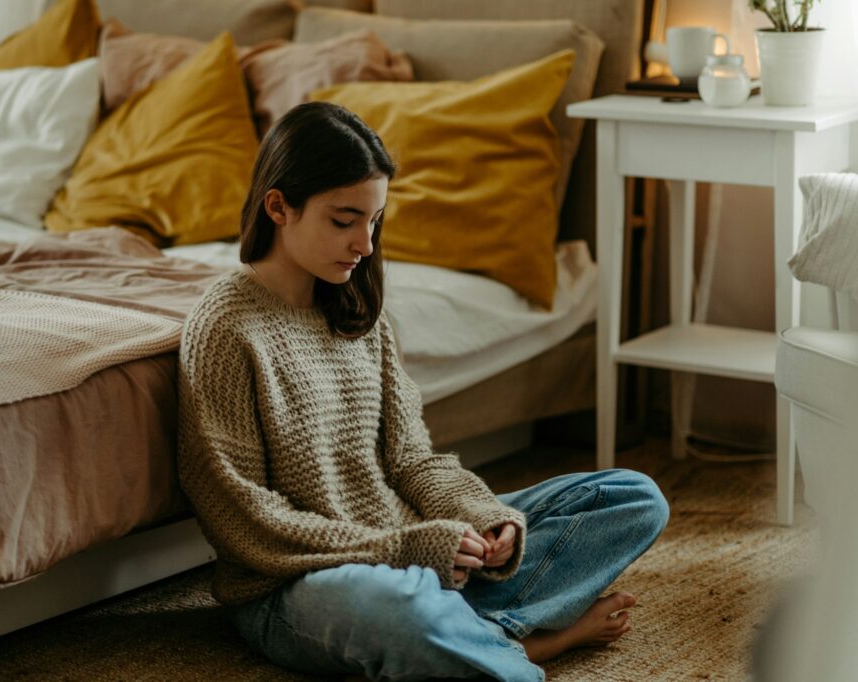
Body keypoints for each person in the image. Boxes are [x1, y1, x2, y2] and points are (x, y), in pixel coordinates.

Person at [176, 101, 670, 682]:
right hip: (297, 585)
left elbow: (412, 459)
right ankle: (533, 646)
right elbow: (244, 519)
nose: (364, 243)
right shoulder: (226, 327)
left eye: (374, 220)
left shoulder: (360, 312)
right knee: (396, 610)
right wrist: (403, 549)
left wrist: (483, 519)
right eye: (343, 220)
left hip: (413, 549)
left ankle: (466, 632)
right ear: (279, 206)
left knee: (632, 497)